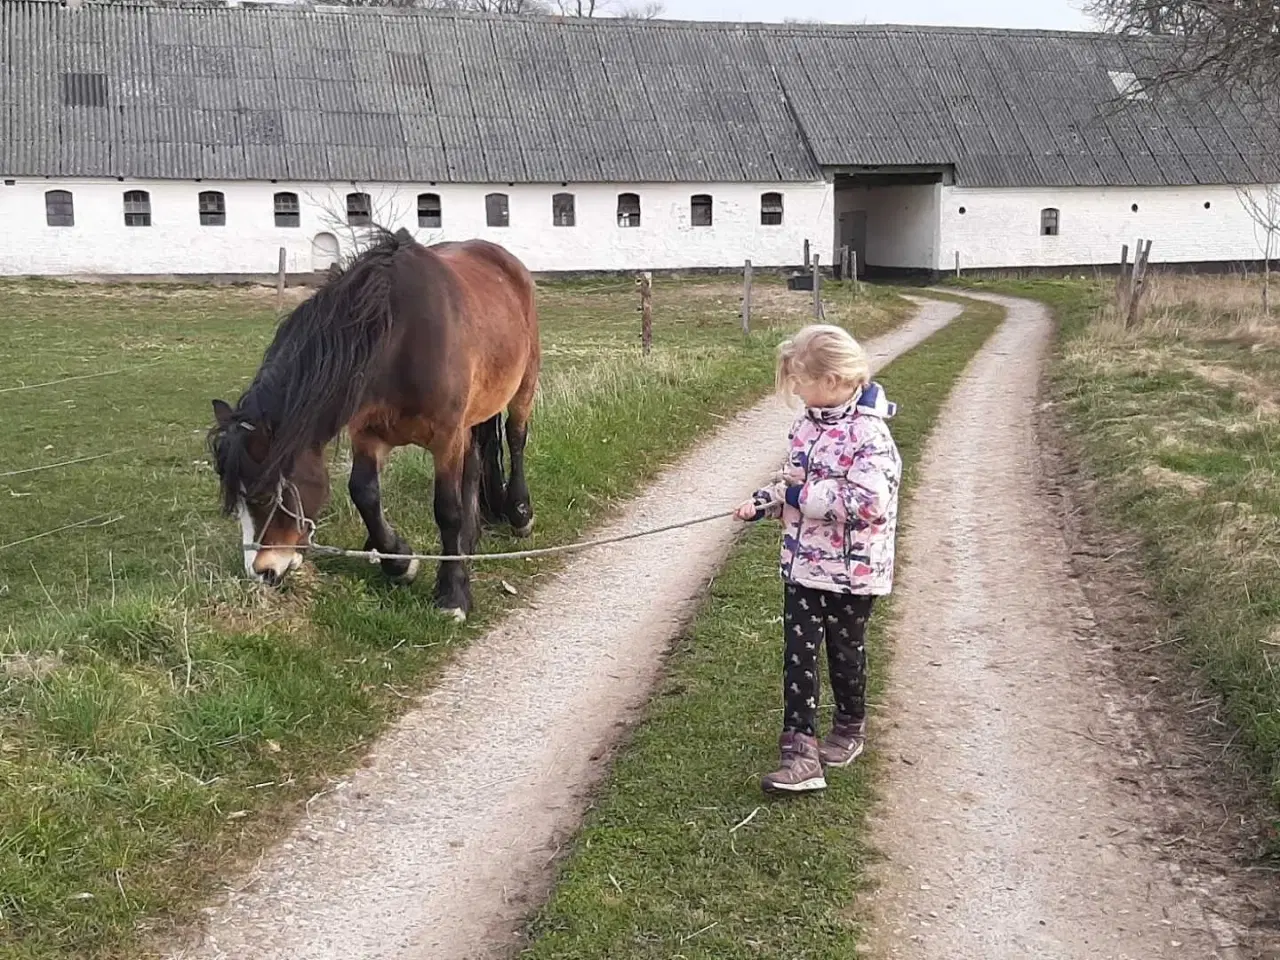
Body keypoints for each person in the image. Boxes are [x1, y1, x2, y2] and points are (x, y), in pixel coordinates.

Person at [735, 323, 901, 795]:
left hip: (853, 571)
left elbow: (869, 504)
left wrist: (796, 495)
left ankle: (849, 729)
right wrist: (767, 501)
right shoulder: (808, 423)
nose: (795, 391)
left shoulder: (870, 435)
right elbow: (792, 479)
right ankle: (800, 752)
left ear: (832, 380)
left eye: (800, 382)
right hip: (804, 564)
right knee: (799, 653)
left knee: (845, 652)